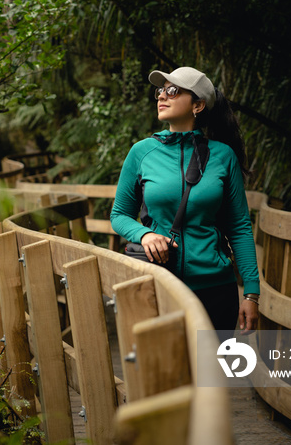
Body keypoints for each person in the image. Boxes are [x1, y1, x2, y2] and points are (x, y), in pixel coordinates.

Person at [110, 66, 259, 336]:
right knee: (166, 374)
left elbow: (239, 226)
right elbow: (119, 215)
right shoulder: (141, 152)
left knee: (213, 375)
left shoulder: (223, 156)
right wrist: (144, 235)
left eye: (173, 90)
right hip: (159, 285)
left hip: (215, 289)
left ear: (198, 105)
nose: (161, 96)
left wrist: (251, 294)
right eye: (160, 91)